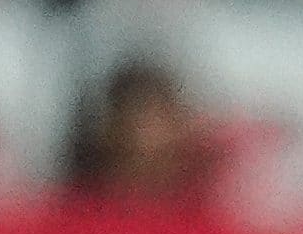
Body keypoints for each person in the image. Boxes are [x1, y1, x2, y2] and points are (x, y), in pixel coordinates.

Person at [63, 58, 214, 205]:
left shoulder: (210, 224)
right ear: (110, 130)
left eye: (158, 118)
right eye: (141, 119)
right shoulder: (62, 219)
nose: (151, 135)